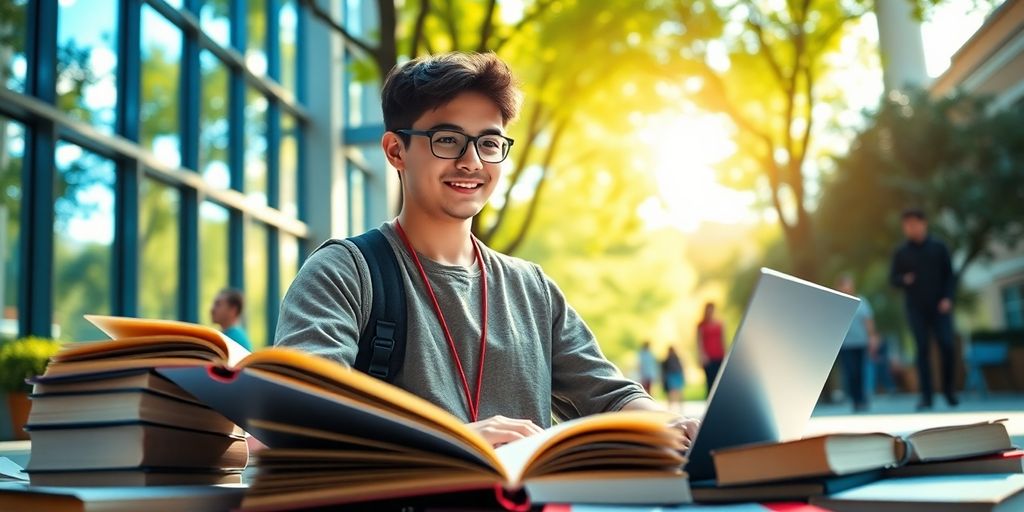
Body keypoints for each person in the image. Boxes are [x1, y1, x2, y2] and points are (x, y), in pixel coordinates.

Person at [273, 52, 698, 447]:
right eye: (447, 139)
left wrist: (674, 425)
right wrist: (457, 437)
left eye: (489, 143)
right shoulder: (344, 272)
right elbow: (301, 408)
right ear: (395, 150)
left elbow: (609, 395)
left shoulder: (532, 288)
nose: (472, 161)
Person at [889, 208, 958, 410]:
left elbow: (950, 276)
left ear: (923, 224)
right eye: (906, 225)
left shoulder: (939, 247)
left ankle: (949, 391)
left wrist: (948, 298)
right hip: (915, 309)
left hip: (940, 307)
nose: (910, 228)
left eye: (913, 224)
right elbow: (893, 279)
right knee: (922, 350)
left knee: (947, 345)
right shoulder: (901, 252)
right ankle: (926, 396)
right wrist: (904, 279)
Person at [835, 274, 879, 412]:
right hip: (845, 344)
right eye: (844, 285)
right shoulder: (837, 302)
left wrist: (872, 337)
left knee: (860, 372)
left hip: (861, 343)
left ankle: (862, 399)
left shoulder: (862, 302)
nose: (847, 287)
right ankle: (855, 400)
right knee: (850, 372)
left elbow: (868, 321)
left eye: (849, 284)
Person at [696, 302, 725, 397]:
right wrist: (701, 356)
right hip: (708, 358)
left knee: (719, 382)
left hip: (719, 356)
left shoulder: (719, 324)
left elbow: (723, 340)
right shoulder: (701, 325)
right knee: (710, 382)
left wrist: (725, 355)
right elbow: (699, 342)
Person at [661, 347, 685, 412]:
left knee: (673, 393)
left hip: (673, 376)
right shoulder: (677, 358)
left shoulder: (668, 359)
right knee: (676, 392)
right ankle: (677, 407)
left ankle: (672, 408)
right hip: (675, 376)